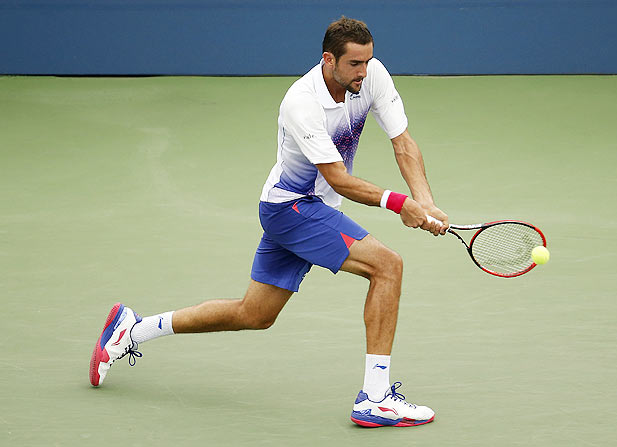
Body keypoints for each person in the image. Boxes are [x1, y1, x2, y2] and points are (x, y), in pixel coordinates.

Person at [89, 16, 448, 428]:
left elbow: (402, 142)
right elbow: (338, 179)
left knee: (253, 314)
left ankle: (132, 330)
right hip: (292, 209)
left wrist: (425, 200)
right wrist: (399, 202)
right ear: (328, 60)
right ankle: (376, 398)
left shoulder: (374, 76)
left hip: (313, 210)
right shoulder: (302, 102)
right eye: (354, 65)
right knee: (388, 266)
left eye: (368, 62)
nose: (363, 72)